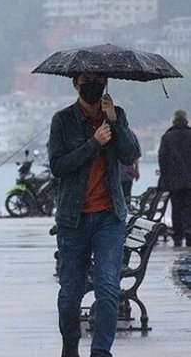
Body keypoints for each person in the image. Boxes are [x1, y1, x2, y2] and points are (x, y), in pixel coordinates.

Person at [48, 72, 140, 357]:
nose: (92, 85)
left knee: (108, 287)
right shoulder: (62, 120)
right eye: (86, 80)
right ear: (75, 84)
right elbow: (58, 166)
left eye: (97, 80)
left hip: (109, 217)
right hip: (72, 219)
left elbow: (130, 153)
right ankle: (70, 345)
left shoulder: (116, 115)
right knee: (70, 291)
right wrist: (94, 143)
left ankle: (101, 352)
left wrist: (114, 121)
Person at [158, 109, 191, 247]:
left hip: (173, 181)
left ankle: (178, 235)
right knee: (189, 208)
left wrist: (166, 175)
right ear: (186, 121)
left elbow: (162, 158)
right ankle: (189, 234)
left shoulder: (167, 137)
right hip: (190, 181)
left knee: (176, 208)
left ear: (173, 121)